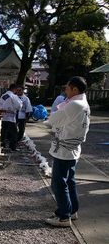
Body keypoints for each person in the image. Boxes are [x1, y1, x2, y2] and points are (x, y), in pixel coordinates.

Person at [44, 76, 90, 227]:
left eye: (67, 87)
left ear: (75, 89)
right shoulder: (83, 103)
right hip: (72, 147)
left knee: (59, 182)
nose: (65, 90)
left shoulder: (74, 104)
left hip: (65, 149)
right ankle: (71, 210)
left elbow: (53, 119)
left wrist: (48, 121)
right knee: (69, 181)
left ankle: (64, 216)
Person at [0, 83, 23, 151]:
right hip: (11, 118)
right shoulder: (13, 96)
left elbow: (0, 105)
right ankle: (12, 147)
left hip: (3, 117)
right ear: (14, 89)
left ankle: (2, 145)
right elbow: (19, 105)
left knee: (3, 132)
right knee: (14, 133)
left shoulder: (3, 95)